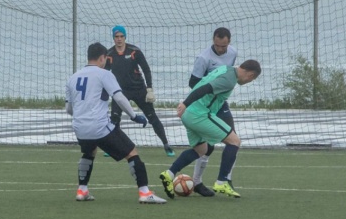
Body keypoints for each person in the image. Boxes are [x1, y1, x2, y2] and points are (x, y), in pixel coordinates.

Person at [65, 42, 166, 204]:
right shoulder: (104, 74)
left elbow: (69, 109)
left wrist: (84, 115)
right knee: (132, 152)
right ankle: (145, 192)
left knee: (89, 152)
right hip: (99, 126)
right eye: (105, 59)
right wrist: (134, 116)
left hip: (79, 128)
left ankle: (82, 190)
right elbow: (119, 97)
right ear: (102, 58)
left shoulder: (73, 77)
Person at [159, 60, 262, 200]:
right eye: (252, 79)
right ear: (250, 75)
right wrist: (185, 103)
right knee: (234, 141)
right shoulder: (229, 81)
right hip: (198, 114)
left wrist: (186, 105)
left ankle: (169, 174)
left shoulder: (225, 68)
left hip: (188, 114)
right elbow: (205, 88)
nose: (249, 82)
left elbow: (202, 83)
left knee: (201, 150)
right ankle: (222, 181)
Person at [104, 25, 174, 157]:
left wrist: (149, 89)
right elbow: (104, 74)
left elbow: (146, 69)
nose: (119, 39)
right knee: (114, 119)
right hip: (120, 92)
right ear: (113, 38)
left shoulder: (134, 51)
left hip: (139, 89)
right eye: (116, 37)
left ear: (125, 37)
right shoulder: (109, 54)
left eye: (121, 36)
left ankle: (166, 145)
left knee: (152, 117)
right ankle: (111, 148)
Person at [187, 27, 239, 197]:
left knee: (233, 139)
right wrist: (211, 86)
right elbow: (193, 83)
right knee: (207, 146)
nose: (220, 49)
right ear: (213, 41)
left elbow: (229, 75)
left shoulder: (233, 53)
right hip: (205, 105)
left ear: (229, 42)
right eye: (217, 45)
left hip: (221, 104)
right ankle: (196, 182)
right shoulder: (203, 58)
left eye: (223, 46)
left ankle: (227, 179)